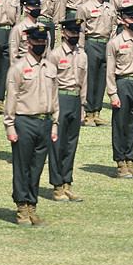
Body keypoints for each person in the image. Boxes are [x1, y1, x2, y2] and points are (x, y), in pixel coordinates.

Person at [4, 24, 59, 226]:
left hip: (44, 123)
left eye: (43, 41)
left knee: (37, 168)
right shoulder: (17, 69)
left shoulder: (51, 68)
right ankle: (21, 208)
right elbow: (11, 99)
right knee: (22, 167)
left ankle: (32, 206)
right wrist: (10, 126)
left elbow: (55, 100)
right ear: (28, 43)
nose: (40, 45)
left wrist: (55, 125)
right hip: (24, 122)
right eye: (36, 41)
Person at [106, 4, 133, 180]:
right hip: (122, 84)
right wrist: (113, 94)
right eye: (131, 18)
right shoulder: (115, 43)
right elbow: (110, 70)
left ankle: (130, 160)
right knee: (120, 125)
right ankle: (120, 163)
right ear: (123, 21)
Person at [47, 18, 88, 202]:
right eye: (71, 32)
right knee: (57, 144)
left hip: (75, 99)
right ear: (63, 33)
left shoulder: (82, 55)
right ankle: (57, 185)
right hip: (60, 99)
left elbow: (84, 82)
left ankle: (67, 183)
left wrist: (83, 106)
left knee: (71, 144)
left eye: (77, 32)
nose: (75, 36)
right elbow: (49, 83)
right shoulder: (55, 55)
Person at [77, 0, 113, 126]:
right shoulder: (84, 8)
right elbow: (81, 31)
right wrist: (81, 49)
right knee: (90, 80)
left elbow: (114, 27)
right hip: (91, 44)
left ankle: (97, 112)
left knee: (102, 80)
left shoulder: (110, 7)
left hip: (106, 44)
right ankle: (88, 112)